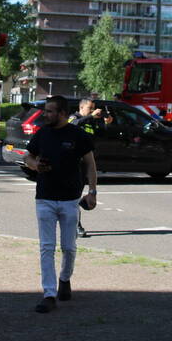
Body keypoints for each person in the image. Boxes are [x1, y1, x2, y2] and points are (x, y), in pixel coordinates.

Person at [24, 95, 97, 314]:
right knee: (47, 247)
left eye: (49, 111)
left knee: (68, 247)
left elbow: (90, 165)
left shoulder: (78, 136)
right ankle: (49, 293)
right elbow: (28, 156)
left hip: (70, 199)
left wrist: (92, 192)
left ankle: (64, 279)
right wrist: (35, 165)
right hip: (44, 197)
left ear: (63, 113)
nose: (45, 115)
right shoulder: (42, 134)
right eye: (45, 111)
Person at [68, 98, 112, 238]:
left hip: (86, 163)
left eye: (94, 108)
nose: (93, 111)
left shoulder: (91, 121)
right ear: (81, 108)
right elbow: (71, 126)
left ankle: (76, 209)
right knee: (73, 195)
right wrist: (90, 116)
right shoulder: (74, 117)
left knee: (76, 195)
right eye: (90, 108)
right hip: (72, 163)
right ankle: (76, 225)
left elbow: (101, 136)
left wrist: (107, 123)